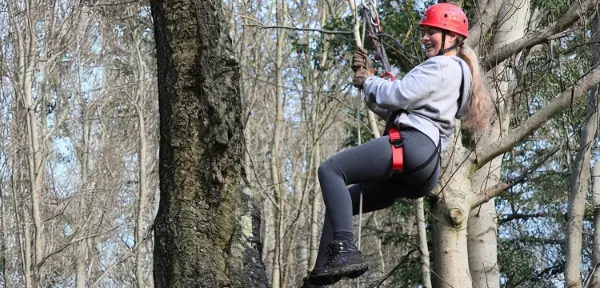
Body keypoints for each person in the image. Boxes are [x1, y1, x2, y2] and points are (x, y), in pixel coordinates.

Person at [301, 3, 491, 288]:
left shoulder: (442, 66)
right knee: (343, 201)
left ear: (451, 37)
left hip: (414, 146)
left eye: (431, 32)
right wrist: (370, 85)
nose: (425, 37)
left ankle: (344, 248)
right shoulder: (459, 74)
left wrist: (369, 81)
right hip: (424, 171)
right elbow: (398, 110)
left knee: (331, 170)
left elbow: (398, 94)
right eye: (424, 32)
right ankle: (319, 279)